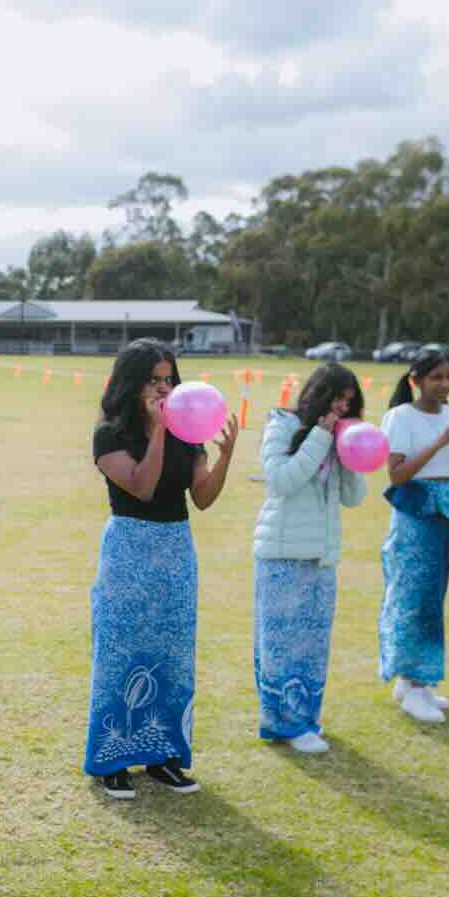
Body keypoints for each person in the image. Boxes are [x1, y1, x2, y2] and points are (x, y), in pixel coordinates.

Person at [84, 339, 240, 798]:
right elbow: (142, 487)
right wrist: (157, 431)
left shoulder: (190, 433)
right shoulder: (109, 435)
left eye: (169, 379)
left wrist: (225, 456)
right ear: (131, 383)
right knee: (120, 651)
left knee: (173, 654)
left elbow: (203, 498)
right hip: (129, 550)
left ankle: (165, 756)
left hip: (176, 552)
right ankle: (112, 759)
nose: (164, 388)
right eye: (153, 380)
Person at [253, 363, 369, 754]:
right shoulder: (283, 425)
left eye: (349, 402)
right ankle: (283, 723)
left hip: (322, 558)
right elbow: (280, 481)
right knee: (282, 645)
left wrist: (351, 455)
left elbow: (353, 498)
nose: (341, 408)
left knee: (314, 645)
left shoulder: (339, 437)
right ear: (318, 395)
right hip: (283, 555)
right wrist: (320, 436)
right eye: (337, 399)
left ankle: (305, 719)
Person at [378, 349, 449, 723]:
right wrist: (440, 440)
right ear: (416, 380)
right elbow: (397, 474)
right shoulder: (400, 417)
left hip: (444, 506)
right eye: (436, 377)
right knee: (412, 595)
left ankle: (415, 682)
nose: (444, 384)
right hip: (414, 508)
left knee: (433, 595)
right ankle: (412, 683)